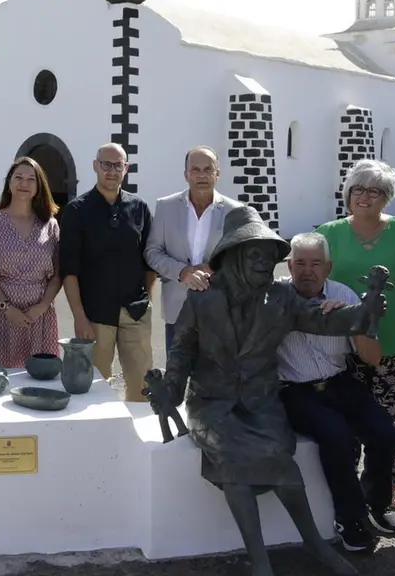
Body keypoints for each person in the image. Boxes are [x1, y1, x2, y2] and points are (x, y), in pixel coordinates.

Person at [158, 205, 382, 576]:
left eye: (270, 256)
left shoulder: (280, 298)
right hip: (212, 403)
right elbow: (181, 348)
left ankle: (314, 545)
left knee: (280, 456)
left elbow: (320, 319)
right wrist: (171, 389)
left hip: (262, 404)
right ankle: (260, 560)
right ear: (235, 255)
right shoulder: (203, 297)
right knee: (232, 460)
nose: (265, 263)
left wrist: (363, 312)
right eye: (256, 254)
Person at [316, 159, 395, 511]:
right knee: (346, 417)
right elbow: (311, 282)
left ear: (387, 197)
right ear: (348, 193)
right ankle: (349, 482)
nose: (364, 196)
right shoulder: (329, 233)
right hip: (343, 345)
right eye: (358, 188)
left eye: (375, 190)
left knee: (392, 417)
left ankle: (391, 482)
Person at [276, 232, 395, 553]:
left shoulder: (343, 293)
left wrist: (353, 319)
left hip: (338, 380)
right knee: (336, 436)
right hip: (294, 389)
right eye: (300, 263)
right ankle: (350, 518)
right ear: (289, 265)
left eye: (316, 263)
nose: (308, 270)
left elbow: (372, 357)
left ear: (328, 267)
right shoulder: (274, 296)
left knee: (385, 431)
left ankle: (376, 503)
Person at [59, 142, 155, 402]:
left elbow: (150, 262)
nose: (111, 171)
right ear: (95, 166)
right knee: (94, 390)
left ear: (126, 168)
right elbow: (69, 271)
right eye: (106, 165)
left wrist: (147, 302)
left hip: (135, 312)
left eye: (118, 165)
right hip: (95, 316)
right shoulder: (77, 211)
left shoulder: (139, 209)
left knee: (143, 388)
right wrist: (79, 317)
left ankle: (137, 442)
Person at [144, 146, 240, 353]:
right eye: (195, 169)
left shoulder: (236, 212)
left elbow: (241, 259)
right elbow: (152, 252)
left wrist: (216, 269)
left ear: (218, 173)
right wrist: (183, 272)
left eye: (208, 169)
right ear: (186, 174)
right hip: (177, 312)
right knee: (176, 379)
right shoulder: (165, 207)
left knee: (215, 381)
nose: (202, 175)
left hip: (220, 312)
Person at [0, 157, 63, 368]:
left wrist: (41, 307)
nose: (24, 184)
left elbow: (58, 274)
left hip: (39, 316)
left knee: (39, 379)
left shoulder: (50, 225)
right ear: (9, 183)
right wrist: (8, 308)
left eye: (31, 179)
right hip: (0, 314)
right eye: (18, 178)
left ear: (39, 185)